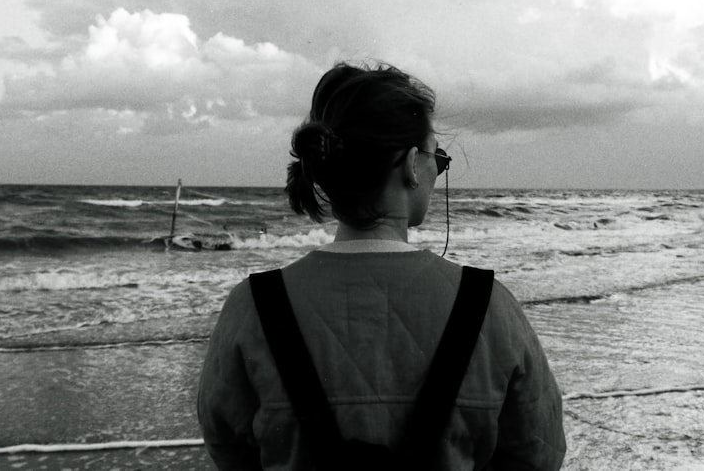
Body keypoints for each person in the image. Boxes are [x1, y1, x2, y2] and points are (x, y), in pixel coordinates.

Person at [197, 62, 565, 470]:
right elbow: (538, 453)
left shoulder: (253, 305)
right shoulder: (489, 307)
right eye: (437, 158)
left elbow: (228, 447)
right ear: (411, 164)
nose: (436, 170)